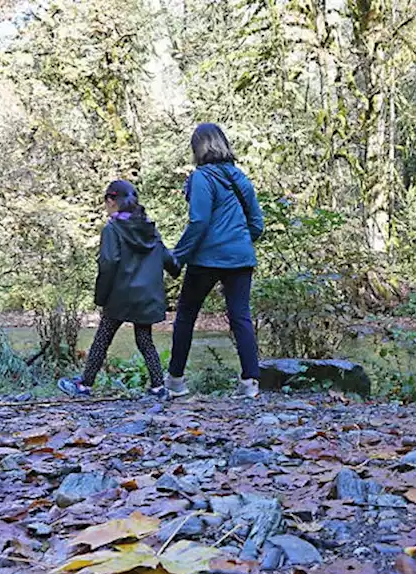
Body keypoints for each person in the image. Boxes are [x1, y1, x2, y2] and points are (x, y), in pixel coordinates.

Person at [167, 122, 265, 399]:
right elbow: (257, 224)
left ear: (197, 148)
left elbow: (198, 221)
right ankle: (250, 383)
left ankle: (176, 381)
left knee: (186, 315)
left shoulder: (202, 177)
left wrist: (178, 257)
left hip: (206, 259)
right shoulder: (240, 177)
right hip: (240, 258)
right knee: (240, 317)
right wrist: (240, 244)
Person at [58, 180, 177, 399]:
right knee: (145, 340)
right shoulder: (149, 228)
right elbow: (168, 258)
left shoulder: (112, 229)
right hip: (147, 296)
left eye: (105, 201)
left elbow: (109, 263)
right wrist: (177, 266)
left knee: (103, 338)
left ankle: (85, 384)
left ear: (112, 201)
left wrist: (101, 297)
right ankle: (159, 387)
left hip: (120, 295)